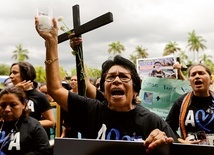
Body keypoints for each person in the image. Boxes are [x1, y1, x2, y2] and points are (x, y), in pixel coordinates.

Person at [35, 17, 177, 153]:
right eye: (110, 77)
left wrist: (164, 144)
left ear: (135, 91)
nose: (116, 80)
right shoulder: (91, 111)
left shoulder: (152, 121)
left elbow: (177, 149)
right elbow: (55, 89)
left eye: (123, 77)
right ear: (103, 90)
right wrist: (52, 42)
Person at [166, 63, 214, 145]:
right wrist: (182, 141)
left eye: (201, 73)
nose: (197, 76)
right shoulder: (181, 102)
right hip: (190, 151)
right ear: (189, 82)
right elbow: (167, 128)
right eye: (193, 74)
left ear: (210, 79)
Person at [9, 62, 55, 139]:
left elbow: (51, 122)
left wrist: (28, 124)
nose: (11, 76)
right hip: (11, 138)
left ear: (26, 75)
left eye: (15, 73)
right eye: (10, 73)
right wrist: (15, 90)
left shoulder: (39, 97)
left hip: (31, 139)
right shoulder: (9, 94)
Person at [0, 86, 51, 155]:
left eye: (13, 105)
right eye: (3, 105)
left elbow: (43, 152)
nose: (7, 109)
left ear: (23, 105)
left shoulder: (33, 126)